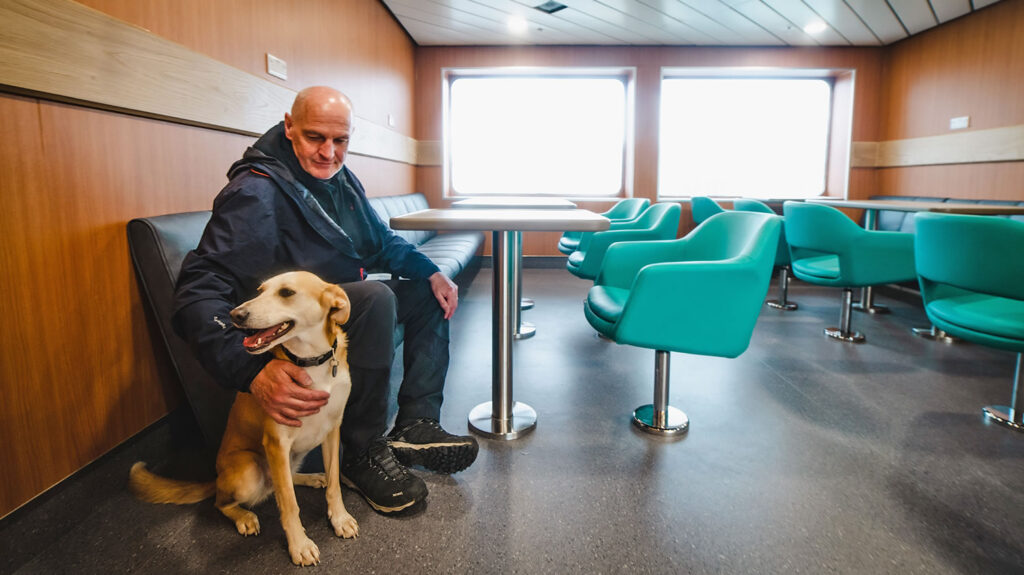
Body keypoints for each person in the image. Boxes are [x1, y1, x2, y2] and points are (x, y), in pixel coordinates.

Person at [172, 86, 478, 514]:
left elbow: (379, 242)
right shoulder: (256, 194)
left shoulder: (340, 179)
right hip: (291, 329)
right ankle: (360, 452)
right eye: (316, 137)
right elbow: (200, 287)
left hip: (329, 313)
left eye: (341, 141)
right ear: (289, 128)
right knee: (373, 298)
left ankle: (416, 422)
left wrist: (431, 272)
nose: (329, 153)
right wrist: (250, 370)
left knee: (425, 296)